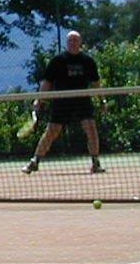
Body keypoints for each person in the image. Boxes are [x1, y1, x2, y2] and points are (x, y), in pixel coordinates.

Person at [22, 29, 104, 174]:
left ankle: (95, 162)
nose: (72, 43)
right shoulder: (57, 61)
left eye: (75, 40)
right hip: (62, 101)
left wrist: (102, 100)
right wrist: (39, 100)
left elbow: (96, 83)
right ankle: (35, 161)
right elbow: (46, 83)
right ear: (67, 43)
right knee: (51, 132)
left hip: (82, 100)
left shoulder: (88, 61)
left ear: (80, 43)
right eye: (70, 40)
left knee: (91, 129)